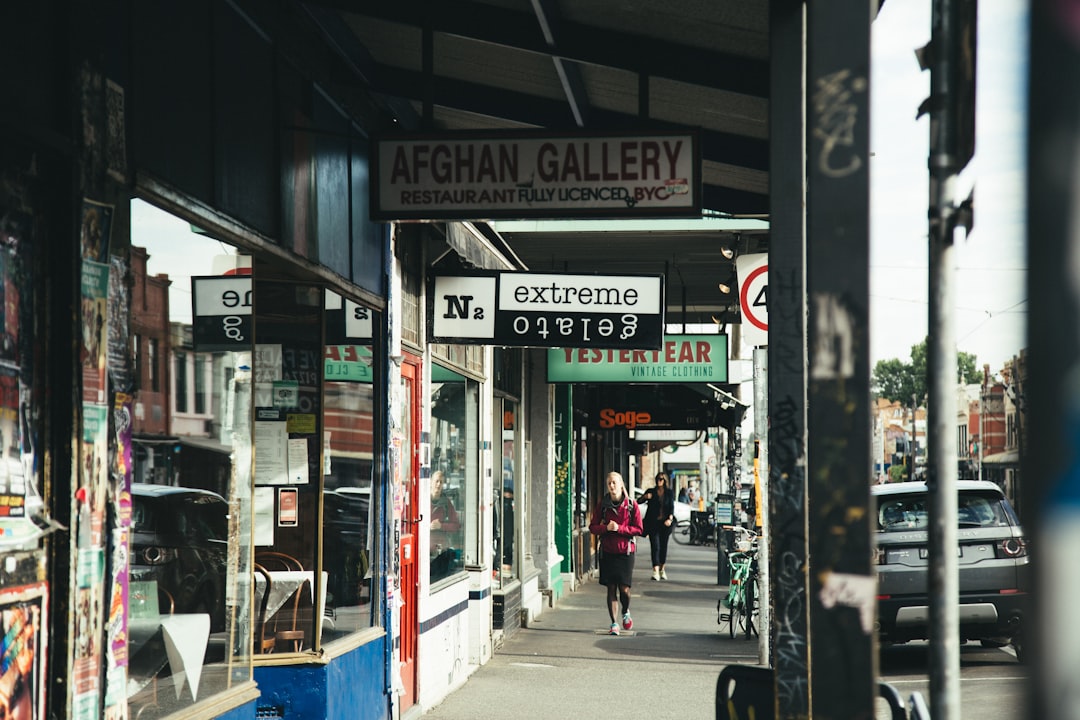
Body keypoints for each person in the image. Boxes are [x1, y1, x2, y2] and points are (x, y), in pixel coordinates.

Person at [588, 471, 643, 635]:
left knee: (624, 589)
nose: (611, 486)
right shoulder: (603, 505)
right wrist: (605, 528)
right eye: (609, 483)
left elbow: (639, 529)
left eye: (614, 483)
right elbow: (592, 527)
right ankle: (614, 623)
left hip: (625, 552)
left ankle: (626, 612)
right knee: (611, 588)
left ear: (621, 485)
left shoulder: (632, 505)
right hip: (607, 552)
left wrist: (620, 528)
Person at [640, 472, 676, 581]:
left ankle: (662, 569)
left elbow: (671, 507)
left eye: (661, 479)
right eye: (657, 479)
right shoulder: (651, 491)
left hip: (665, 524)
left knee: (663, 547)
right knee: (655, 546)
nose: (659, 481)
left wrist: (669, 518)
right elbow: (638, 501)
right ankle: (655, 571)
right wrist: (645, 497)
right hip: (653, 523)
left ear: (665, 481)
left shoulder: (669, 493)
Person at [430, 471, 460, 578]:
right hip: (424, 552)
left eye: (441, 482)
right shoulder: (422, 500)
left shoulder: (447, 503)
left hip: (441, 554)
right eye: (436, 481)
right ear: (430, 482)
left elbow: (456, 526)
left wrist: (441, 526)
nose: (438, 484)